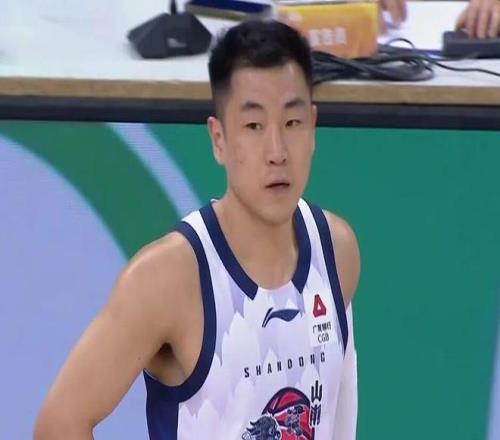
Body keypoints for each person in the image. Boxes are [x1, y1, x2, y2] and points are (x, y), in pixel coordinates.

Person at [34, 20, 360, 440]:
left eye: (292, 123)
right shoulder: (167, 278)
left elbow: (337, 417)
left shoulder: (337, 250)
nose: (277, 152)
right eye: (254, 126)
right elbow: (59, 423)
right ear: (219, 139)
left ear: (312, 128)